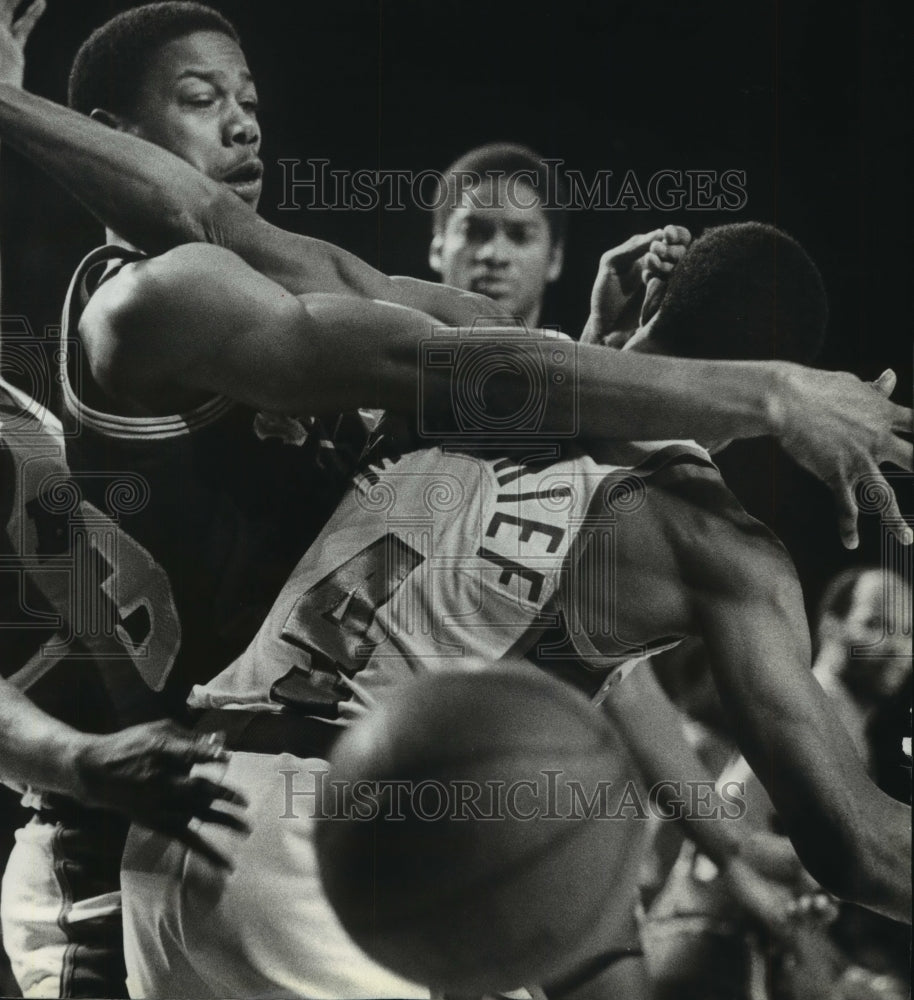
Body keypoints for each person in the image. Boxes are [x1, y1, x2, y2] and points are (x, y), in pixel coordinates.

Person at [117, 222, 910, 998]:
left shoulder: (480, 349)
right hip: (341, 853)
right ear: (797, 385)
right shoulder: (715, 541)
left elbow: (220, 224)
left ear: (655, 302)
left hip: (185, 807)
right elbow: (857, 846)